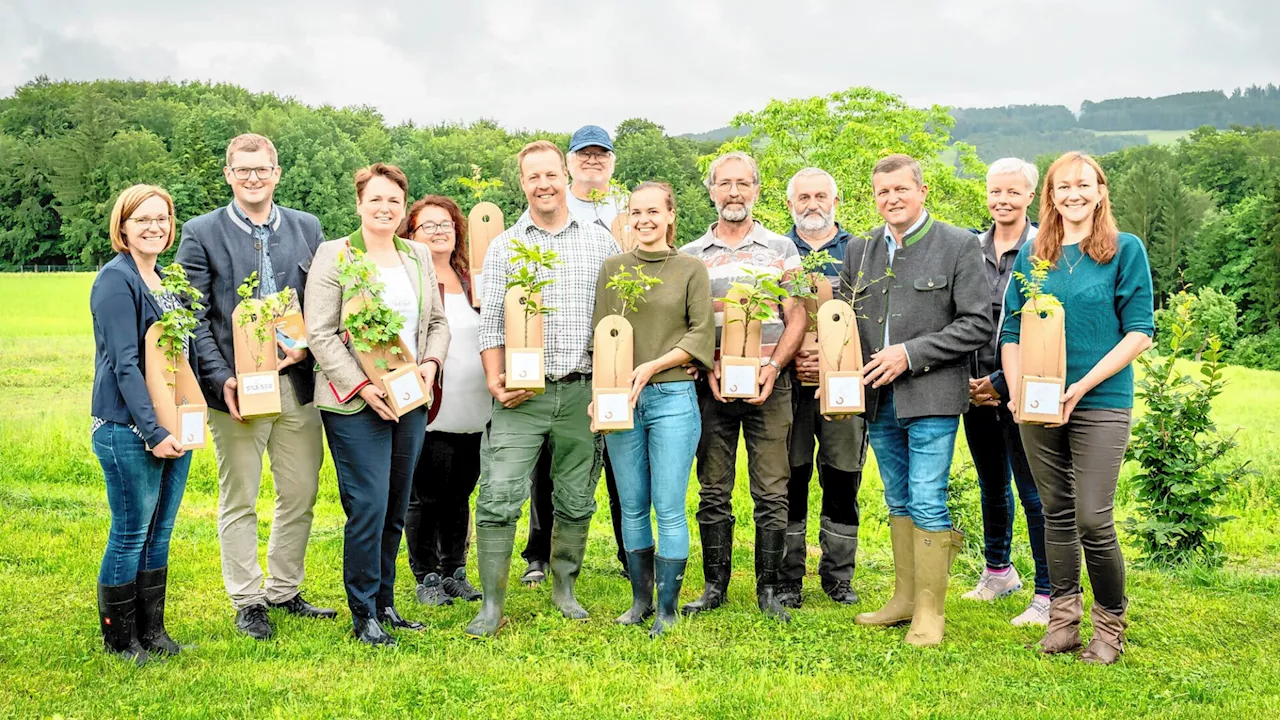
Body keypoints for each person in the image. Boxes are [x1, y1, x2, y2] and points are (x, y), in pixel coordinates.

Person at [176, 133, 334, 640]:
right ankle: (248, 599)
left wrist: (307, 346)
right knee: (240, 496)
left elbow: (320, 303)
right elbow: (193, 318)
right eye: (242, 170)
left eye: (261, 169)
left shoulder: (308, 228)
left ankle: (285, 589)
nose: (252, 177)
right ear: (228, 174)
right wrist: (221, 380)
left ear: (276, 172)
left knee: (300, 492)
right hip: (238, 389)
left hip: (296, 383)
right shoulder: (201, 233)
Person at [1001, 151, 1154, 665]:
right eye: (1062, 185)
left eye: (1083, 185)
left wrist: (1080, 387)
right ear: (1050, 194)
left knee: (1092, 516)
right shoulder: (1033, 256)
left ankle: (1110, 626)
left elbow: (1140, 333)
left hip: (1101, 399)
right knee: (1055, 512)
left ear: (1100, 190)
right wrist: (1021, 392)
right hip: (1038, 405)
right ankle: (1063, 621)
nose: (1073, 193)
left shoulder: (1123, 250)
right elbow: (1011, 331)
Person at [467, 140, 619, 637]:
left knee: (576, 496)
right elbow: (490, 324)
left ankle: (564, 587)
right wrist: (494, 377)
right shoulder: (507, 246)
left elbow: (618, 320)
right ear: (523, 184)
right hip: (522, 395)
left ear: (565, 175)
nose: (544, 184)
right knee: (499, 494)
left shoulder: (600, 243)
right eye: (533, 177)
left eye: (551, 174)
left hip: (581, 390)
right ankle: (492, 603)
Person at [842, 154, 991, 647]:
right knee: (898, 497)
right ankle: (904, 598)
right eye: (883, 192)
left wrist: (910, 354)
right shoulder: (860, 251)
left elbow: (976, 324)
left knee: (927, 498)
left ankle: (931, 611)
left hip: (932, 396)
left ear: (922, 191)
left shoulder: (959, 244)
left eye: (901, 189)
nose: (892, 199)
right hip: (878, 399)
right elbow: (847, 324)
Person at [305, 163, 450, 647]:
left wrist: (430, 364)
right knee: (366, 504)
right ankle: (361, 610)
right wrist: (363, 387)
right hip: (355, 404)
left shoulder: (417, 255)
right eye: (376, 199)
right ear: (360, 204)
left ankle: (386, 603)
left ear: (403, 206)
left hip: (409, 398)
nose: (385, 208)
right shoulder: (336, 254)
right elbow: (320, 333)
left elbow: (436, 323)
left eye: (394, 200)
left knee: (394, 505)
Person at [680, 151, 805, 622]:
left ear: (756, 190)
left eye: (743, 184)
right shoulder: (691, 256)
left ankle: (769, 590)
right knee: (713, 489)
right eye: (724, 184)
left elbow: (797, 316)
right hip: (711, 390)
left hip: (769, 387)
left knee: (772, 491)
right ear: (711, 191)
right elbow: (689, 324)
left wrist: (773, 367)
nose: (734, 193)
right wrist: (706, 368)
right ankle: (715, 587)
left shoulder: (781, 249)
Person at [593, 181, 715, 636]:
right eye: (635, 212)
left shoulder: (690, 269)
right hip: (621, 401)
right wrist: (598, 401)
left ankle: (667, 607)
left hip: (672, 398)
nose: (644, 220)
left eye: (653, 211)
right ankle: (640, 600)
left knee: (668, 506)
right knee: (631, 505)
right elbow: (601, 338)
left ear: (670, 216)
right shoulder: (613, 269)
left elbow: (701, 334)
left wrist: (652, 366)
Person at [521, 124, 629, 586]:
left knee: (620, 465)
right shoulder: (544, 212)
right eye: (583, 155)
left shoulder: (628, 214)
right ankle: (539, 555)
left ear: (612, 161)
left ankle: (631, 553)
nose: (592, 162)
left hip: (609, 355)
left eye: (600, 155)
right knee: (546, 466)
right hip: (555, 359)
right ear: (567, 166)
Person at [91, 184, 194, 664]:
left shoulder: (167, 283)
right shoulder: (117, 280)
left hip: (174, 427)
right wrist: (154, 432)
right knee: (131, 531)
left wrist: (183, 424)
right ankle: (120, 640)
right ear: (123, 227)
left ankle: (153, 633)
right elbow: (124, 365)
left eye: (162, 218)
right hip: (128, 429)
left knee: (160, 531)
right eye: (143, 219)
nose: (154, 227)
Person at [961, 158, 1051, 626]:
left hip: (1023, 390)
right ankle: (998, 572)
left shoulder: (1045, 250)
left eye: (1013, 193)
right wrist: (973, 384)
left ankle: (1049, 592)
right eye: (995, 192)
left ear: (1030, 196)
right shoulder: (970, 249)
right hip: (972, 391)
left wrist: (1001, 382)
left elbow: (1048, 327)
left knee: (1034, 491)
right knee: (992, 485)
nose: (1002, 201)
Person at [781, 168, 869, 608]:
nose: (812, 203)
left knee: (842, 478)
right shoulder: (778, 252)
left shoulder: (861, 251)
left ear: (837, 199)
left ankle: (838, 577)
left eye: (820, 195)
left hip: (845, 391)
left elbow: (873, 320)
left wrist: (837, 360)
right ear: (789, 203)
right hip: (789, 388)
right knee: (790, 479)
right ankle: (788, 576)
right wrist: (794, 353)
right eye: (803, 197)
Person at [401, 195, 487, 607]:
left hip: (474, 407)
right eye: (428, 225)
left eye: (446, 224)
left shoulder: (472, 279)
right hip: (429, 404)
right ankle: (427, 574)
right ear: (411, 234)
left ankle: (455, 569)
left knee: (460, 491)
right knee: (425, 494)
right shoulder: (409, 280)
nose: (439, 231)